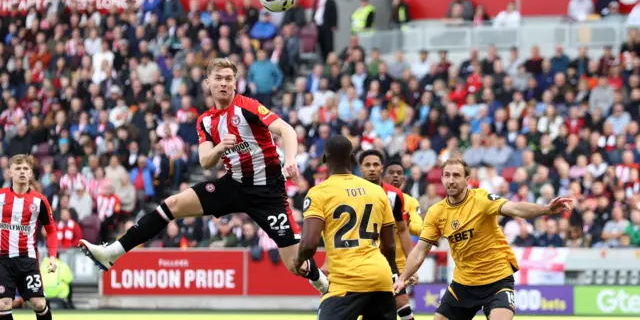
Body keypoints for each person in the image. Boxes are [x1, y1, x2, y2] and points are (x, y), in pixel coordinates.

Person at [79, 58, 329, 294]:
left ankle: (324, 285)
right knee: (173, 204)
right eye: (218, 78)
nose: (224, 83)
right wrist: (221, 147)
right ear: (207, 83)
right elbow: (205, 160)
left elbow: (286, 130)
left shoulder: (248, 106)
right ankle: (113, 252)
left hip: (268, 193)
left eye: (229, 79)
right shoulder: (206, 121)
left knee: (295, 265)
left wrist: (292, 158)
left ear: (235, 83)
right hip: (234, 184)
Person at [393, 158, 573, 320]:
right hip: (464, 284)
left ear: (467, 180)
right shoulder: (436, 212)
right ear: (441, 179)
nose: (451, 180)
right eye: (447, 175)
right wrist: (402, 278)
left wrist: (546, 209)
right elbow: (420, 251)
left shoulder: (481, 199)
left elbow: (515, 208)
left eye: (456, 175)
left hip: (497, 280)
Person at [293, 135, 398, 320]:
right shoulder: (377, 191)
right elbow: (389, 246)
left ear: (325, 159)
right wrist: (390, 274)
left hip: (346, 280)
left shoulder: (319, 193)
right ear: (353, 158)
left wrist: (298, 259)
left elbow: (309, 243)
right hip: (381, 279)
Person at [358, 150, 415, 320]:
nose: (372, 169)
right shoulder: (352, 191)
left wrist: (412, 266)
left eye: (375, 164)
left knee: (403, 305)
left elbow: (403, 229)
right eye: (367, 165)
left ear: (382, 167)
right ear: (360, 168)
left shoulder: (394, 195)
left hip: (387, 260)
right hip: (359, 259)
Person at [0, 154, 58, 320]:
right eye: (18, 169)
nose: (22, 172)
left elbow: (51, 230)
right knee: (3, 304)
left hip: (28, 260)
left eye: (26, 168)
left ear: (31, 173)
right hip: (3, 260)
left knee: (39, 303)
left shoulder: (39, 201)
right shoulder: (1, 197)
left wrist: (52, 257)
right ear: (10, 173)